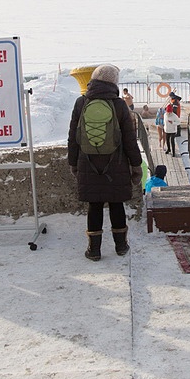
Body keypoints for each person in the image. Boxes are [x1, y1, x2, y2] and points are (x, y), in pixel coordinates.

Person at [67, 64, 144, 261]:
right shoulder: (119, 105)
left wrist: (74, 163)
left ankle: (94, 250)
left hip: (87, 163)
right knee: (116, 204)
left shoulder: (80, 103)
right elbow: (129, 139)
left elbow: (73, 137)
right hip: (116, 164)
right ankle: (120, 246)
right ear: (114, 82)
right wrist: (136, 166)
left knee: (94, 206)